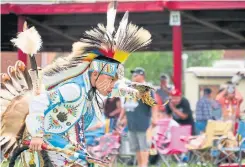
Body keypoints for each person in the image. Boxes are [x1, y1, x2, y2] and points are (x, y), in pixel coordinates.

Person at [1, 2, 153, 167]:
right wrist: (37, 135)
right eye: (111, 79)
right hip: (46, 143)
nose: (112, 85)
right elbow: (38, 102)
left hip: (68, 146)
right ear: (95, 74)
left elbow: (114, 89)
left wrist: (137, 92)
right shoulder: (74, 89)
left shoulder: (91, 89)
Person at [120, 67, 158, 167]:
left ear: (142, 76)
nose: (133, 76)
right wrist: (122, 118)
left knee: (144, 146)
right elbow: (126, 105)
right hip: (132, 124)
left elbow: (154, 105)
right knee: (136, 147)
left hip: (143, 124)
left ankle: (144, 165)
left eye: (136, 74)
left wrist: (155, 118)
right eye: (133, 74)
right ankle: (140, 164)